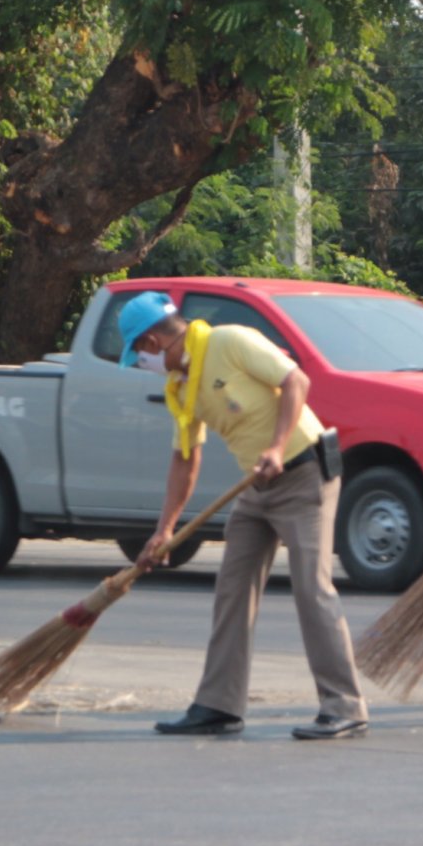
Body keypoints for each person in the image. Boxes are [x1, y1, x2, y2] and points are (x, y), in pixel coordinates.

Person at [119, 291, 369, 741]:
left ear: (153, 342)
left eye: (138, 352)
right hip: (256, 487)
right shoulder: (179, 386)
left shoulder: (229, 342)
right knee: (232, 588)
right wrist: (165, 530)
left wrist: (275, 446)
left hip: (303, 472)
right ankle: (219, 704)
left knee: (312, 588)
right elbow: (185, 458)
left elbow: (296, 382)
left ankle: (344, 705)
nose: (141, 361)